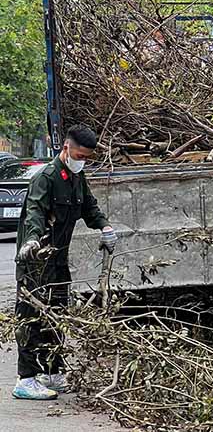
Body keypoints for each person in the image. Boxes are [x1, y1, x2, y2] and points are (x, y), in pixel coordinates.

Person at [14, 124, 117, 400]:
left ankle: (52, 372)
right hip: (34, 261)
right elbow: (34, 212)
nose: (81, 161)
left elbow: (89, 207)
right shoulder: (45, 178)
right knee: (31, 318)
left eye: (86, 157)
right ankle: (25, 379)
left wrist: (105, 227)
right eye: (79, 155)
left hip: (58, 261)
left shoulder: (76, 178)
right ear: (66, 148)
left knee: (57, 315)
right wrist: (32, 240)